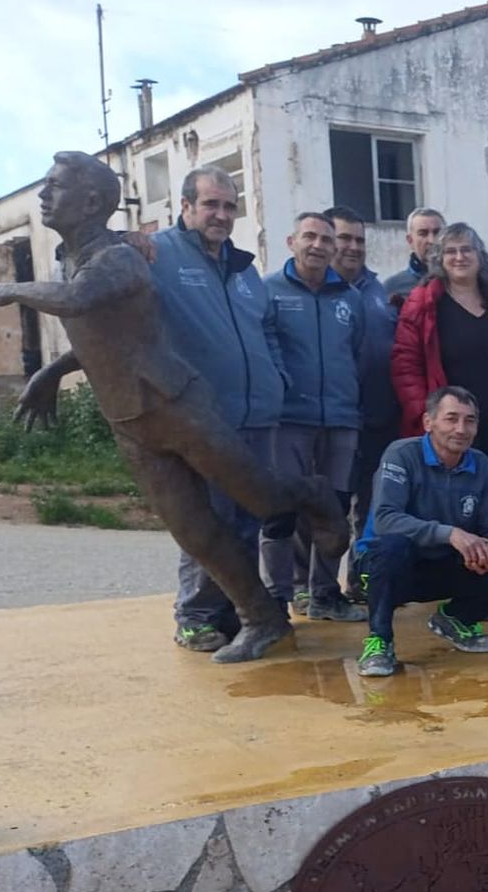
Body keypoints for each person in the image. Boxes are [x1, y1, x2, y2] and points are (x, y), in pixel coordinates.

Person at [0, 152, 347, 664]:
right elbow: (108, 338)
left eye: (54, 187)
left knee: (260, 496)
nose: (44, 197)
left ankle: (313, 495)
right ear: (187, 207)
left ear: (92, 201)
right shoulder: (103, 255)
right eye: (212, 204)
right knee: (195, 531)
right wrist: (49, 373)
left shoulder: (113, 260)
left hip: (174, 401)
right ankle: (261, 620)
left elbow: (78, 300)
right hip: (129, 417)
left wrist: (6, 288)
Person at [150, 165, 288, 652]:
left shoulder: (244, 269)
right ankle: (195, 616)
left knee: (247, 519)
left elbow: (266, 328)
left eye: (230, 206)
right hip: (203, 418)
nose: (221, 214)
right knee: (207, 519)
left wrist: (277, 377)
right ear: (185, 207)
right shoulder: (158, 255)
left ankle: (234, 609)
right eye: (211, 204)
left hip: (257, 417)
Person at [353, 387, 488, 676]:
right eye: (451, 419)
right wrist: (451, 534)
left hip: (446, 565)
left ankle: (455, 620)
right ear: (429, 422)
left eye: (470, 421)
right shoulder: (401, 454)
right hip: (391, 569)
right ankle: (379, 641)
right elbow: (385, 520)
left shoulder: (482, 466)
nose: (461, 429)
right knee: (391, 547)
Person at [391, 223, 488, 570]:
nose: (459, 257)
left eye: (466, 249)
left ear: (479, 255)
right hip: (452, 429)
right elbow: (404, 364)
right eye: (451, 251)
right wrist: (426, 418)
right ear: (439, 259)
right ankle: (465, 577)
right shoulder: (425, 303)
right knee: (459, 501)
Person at [259, 212, 367, 622]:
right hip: (289, 420)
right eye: (310, 237)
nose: (318, 246)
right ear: (292, 241)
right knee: (281, 510)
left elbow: (354, 353)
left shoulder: (349, 298)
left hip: (341, 420)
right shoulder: (269, 290)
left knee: (333, 511)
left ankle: (324, 593)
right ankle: (277, 599)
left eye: (326, 239)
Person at [324, 205, 397, 601]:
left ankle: (360, 583)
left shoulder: (378, 291)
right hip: (333, 419)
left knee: (371, 510)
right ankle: (316, 589)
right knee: (328, 508)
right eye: (344, 238)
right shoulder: (315, 285)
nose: (353, 247)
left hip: (379, 419)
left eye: (359, 240)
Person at [384, 207, 445, 300]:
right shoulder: (393, 287)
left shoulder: (460, 282)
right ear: (410, 240)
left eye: (437, 233)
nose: (432, 240)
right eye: (423, 234)